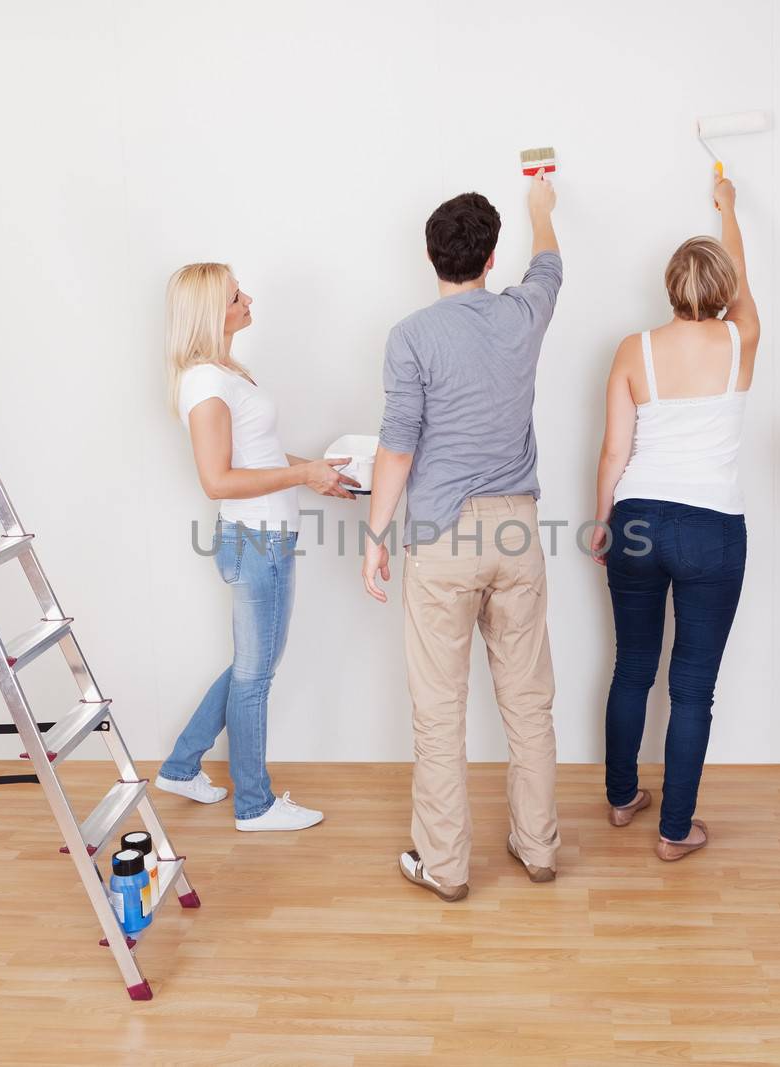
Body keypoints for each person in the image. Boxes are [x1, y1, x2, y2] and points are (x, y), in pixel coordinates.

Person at [361, 174, 563, 901]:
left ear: (430, 256)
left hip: (440, 537)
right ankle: (538, 847)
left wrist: (377, 532)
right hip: (516, 528)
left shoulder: (411, 336)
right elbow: (551, 265)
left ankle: (444, 867)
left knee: (439, 709)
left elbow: (397, 446)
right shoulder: (523, 314)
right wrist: (543, 208)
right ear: (490, 256)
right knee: (528, 699)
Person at [590, 174, 760, 862]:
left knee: (632, 666)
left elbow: (612, 450)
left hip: (635, 515)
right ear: (721, 290)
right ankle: (674, 830)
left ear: (668, 285)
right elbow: (742, 287)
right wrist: (729, 211)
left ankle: (623, 796)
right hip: (710, 526)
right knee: (691, 686)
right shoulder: (741, 339)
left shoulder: (633, 349)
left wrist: (602, 522)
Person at [156, 262, 357, 832]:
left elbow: (260, 457)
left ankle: (179, 766)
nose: (248, 299)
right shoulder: (205, 382)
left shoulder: (228, 372)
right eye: (234, 295)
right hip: (255, 541)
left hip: (264, 538)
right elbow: (217, 481)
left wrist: (319, 472)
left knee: (253, 666)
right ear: (207, 312)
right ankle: (255, 805)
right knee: (255, 676)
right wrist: (302, 478)